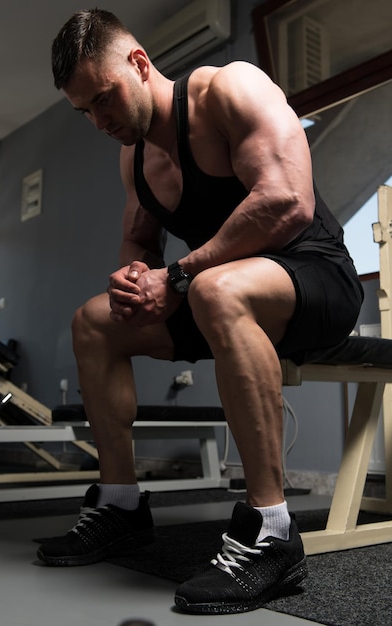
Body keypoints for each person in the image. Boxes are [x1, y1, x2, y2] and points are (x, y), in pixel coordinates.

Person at [38, 8, 364, 615]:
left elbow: (288, 202)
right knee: (94, 322)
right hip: (217, 286)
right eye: (85, 112)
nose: (100, 121)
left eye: (105, 99)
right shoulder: (134, 157)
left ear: (139, 64)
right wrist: (136, 277)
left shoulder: (228, 89)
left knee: (216, 291)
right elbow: (140, 242)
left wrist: (180, 275)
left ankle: (270, 532)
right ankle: (120, 504)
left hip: (315, 275)